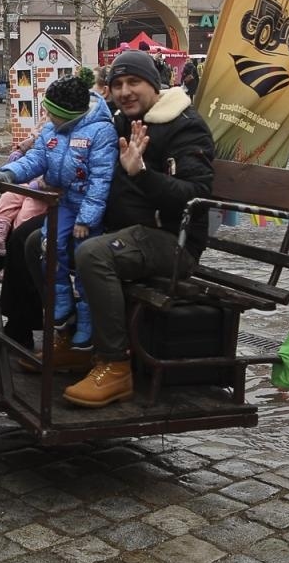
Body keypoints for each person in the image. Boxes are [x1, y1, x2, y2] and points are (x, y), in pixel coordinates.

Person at [54, 50, 215, 407]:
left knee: (92, 254)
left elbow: (197, 195)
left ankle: (115, 365)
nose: (124, 91)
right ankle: (76, 340)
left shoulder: (185, 126)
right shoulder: (120, 121)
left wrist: (142, 174)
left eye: (134, 82)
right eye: (117, 84)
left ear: (154, 85)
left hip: (173, 241)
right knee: (43, 239)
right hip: (125, 231)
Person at [0, 75, 118, 354]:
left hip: (86, 207)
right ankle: (61, 301)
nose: (48, 117)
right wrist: (9, 172)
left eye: (52, 112)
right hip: (66, 203)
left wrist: (87, 219)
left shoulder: (100, 132)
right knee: (48, 245)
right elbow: (36, 160)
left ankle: (86, 320)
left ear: (68, 114)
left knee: (82, 258)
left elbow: (101, 179)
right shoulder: (52, 131)